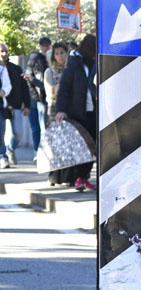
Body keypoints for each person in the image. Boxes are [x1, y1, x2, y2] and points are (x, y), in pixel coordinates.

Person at [53, 34, 97, 192]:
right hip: (78, 113)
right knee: (82, 147)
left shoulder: (96, 64)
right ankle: (79, 178)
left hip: (94, 112)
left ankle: (84, 177)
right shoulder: (74, 64)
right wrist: (61, 110)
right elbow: (64, 88)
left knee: (94, 147)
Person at [42, 42, 73, 186]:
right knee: (55, 143)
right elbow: (51, 92)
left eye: (63, 53)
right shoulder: (50, 71)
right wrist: (65, 83)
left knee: (68, 144)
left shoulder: (71, 69)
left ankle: (67, 176)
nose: (60, 56)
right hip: (54, 108)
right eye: (57, 53)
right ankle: (53, 176)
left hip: (69, 108)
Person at [0, 43, 31, 168]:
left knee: (18, 132)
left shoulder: (16, 69)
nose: (4, 54)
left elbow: (24, 88)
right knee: (1, 132)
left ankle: (11, 148)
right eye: (2, 51)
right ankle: (3, 157)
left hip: (15, 105)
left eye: (6, 51)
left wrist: (27, 105)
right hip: (2, 106)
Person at [24, 37, 52, 157]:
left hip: (46, 98)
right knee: (36, 128)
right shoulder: (34, 60)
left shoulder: (51, 60)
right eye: (42, 45)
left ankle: (44, 153)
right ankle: (37, 151)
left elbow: (48, 82)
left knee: (44, 128)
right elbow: (28, 80)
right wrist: (35, 95)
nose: (44, 47)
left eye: (46, 45)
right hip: (35, 99)